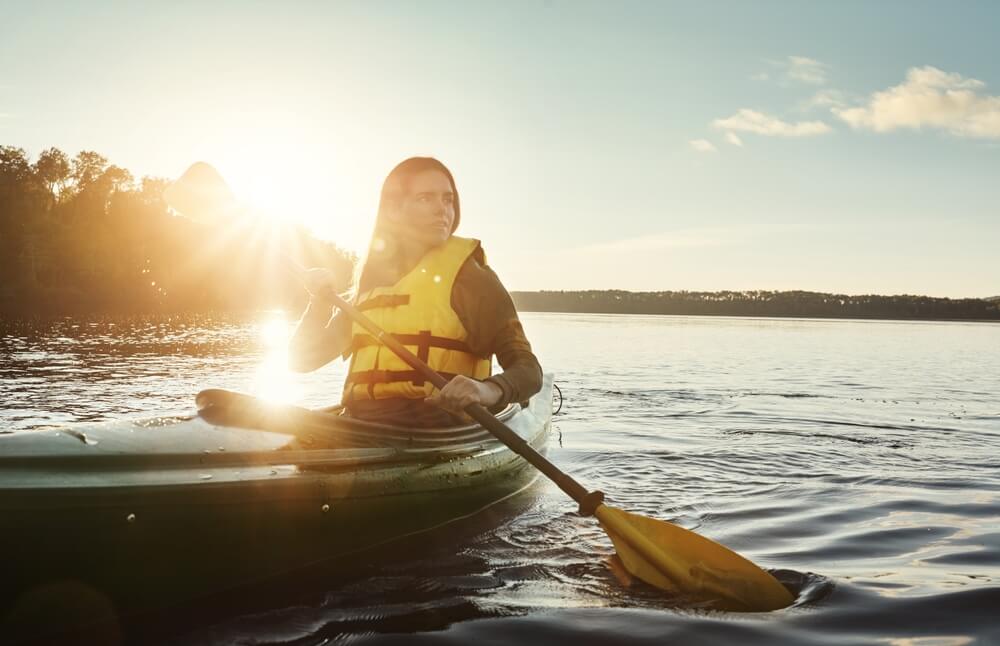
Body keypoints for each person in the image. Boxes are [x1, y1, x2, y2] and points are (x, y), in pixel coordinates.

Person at [288, 157, 542, 427]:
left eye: (448, 199)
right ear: (394, 210)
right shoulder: (370, 286)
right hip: (362, 425)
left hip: (441, 429)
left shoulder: (472, 279)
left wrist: (487, 390)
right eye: (425, 198)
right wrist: (318, 304)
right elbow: (301, 361)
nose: (442, 210)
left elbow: (529, 371)